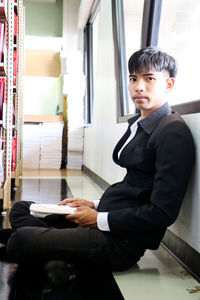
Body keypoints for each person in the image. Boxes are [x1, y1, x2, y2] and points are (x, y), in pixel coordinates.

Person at [2, 47, 196, 274]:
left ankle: (53, 249)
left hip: (120, 242)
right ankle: (58, 255)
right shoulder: (141, 124)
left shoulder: (172, 132)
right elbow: (132, 189)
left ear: (169, 85)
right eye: (133, 78)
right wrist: (93, 205)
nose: (138, 86)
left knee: (20, 240)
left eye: (149, 78)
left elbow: (162, 213)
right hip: (103, 218)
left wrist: (99, 219)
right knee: (21, 210)